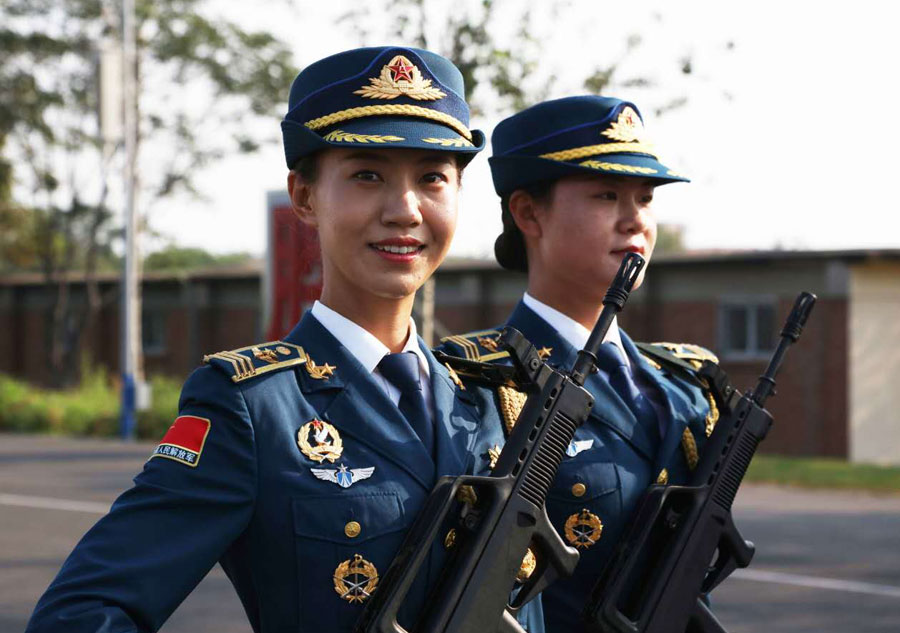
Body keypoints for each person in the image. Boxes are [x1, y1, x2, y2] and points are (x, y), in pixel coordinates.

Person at [26, 46, 542, 633]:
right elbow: (82, 613)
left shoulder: (491, 399)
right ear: (304, 197)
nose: (404, 210)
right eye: (367, 175)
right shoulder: (253, 406)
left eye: (431, 178)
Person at [437, 95, 720, 632]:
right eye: (607, 194)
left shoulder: (683, 385)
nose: (634, 219)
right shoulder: (476, 383)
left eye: (645, 197)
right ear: (527, 212)